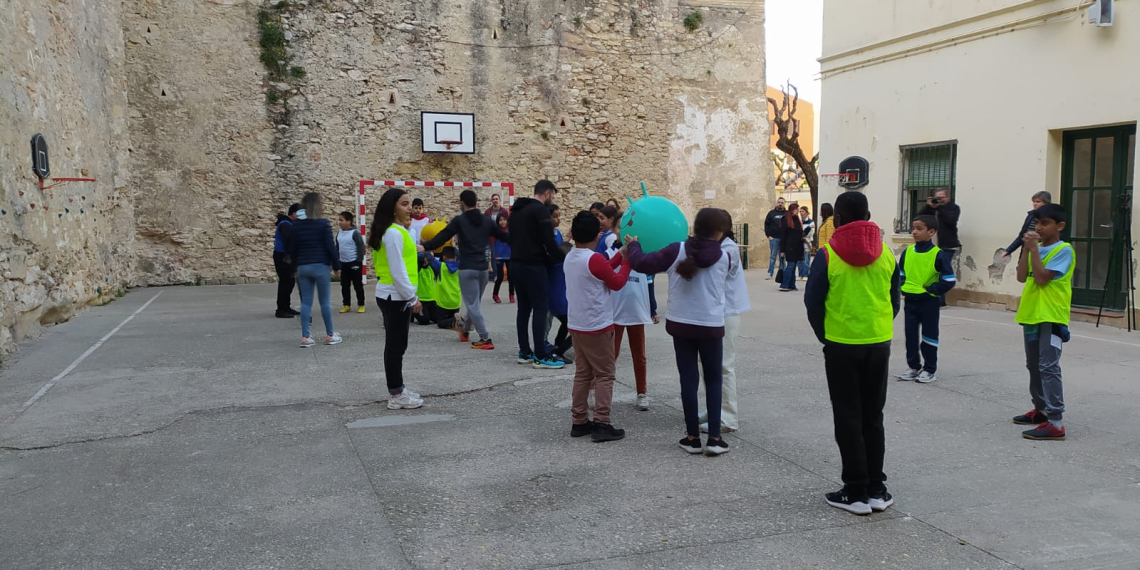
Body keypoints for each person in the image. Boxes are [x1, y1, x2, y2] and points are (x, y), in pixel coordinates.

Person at [804, 191, 901, 516]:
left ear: (839, 220)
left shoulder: (828, 254)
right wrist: (879, 327)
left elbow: (813, 301)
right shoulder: (887, 253)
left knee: (848, 416)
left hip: (842, 345)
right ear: (869, 215)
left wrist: (826, 335)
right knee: (874, 416)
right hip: (878, 343)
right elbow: (894, 298)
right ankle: (877, 488)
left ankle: (855, 490)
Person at [627, 208, 733, 457]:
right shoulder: (727, 256)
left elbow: (642, 263)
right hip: (711, 324)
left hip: (681, 324)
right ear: (719, 232)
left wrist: (634, 245)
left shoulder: (677, 250)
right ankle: (715, 438)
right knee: (714, 379)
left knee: (688, 379)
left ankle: (692, 437)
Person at [565, 211, 631, 443]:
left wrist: (620, 256)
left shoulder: (572, 256)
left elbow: (601, 270)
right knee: (605, 374)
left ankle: (579, 420)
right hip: (597, 326)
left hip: (577, 325)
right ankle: (602, 422)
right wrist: (629, 260)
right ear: (597, 235)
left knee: (583, 374)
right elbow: (616, 282)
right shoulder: (593, 259)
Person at [1012, 204, 1073, 441]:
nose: (1039, 227)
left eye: (1045, 223)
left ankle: (1056, 421)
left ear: (1059, 226)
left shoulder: (1064, 250)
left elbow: (1041, 278)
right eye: (1037, 223)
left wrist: (1034, 250)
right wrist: (1027, 251)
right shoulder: (1033, 248)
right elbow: (1020, 276)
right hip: (1031, 316)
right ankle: (1041, 409)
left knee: (1049, 367)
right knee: (1034, 366)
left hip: (1051, 316)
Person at [421, 190, 509, 350]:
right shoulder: (486, 220)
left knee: (472, 305)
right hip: (482, 269)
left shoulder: (460, 221)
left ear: (462, 203)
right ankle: (465, 331)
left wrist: (425, 246)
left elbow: (443, 236)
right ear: (475, 202)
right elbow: (504, 236)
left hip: (467, 268)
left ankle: (485, 338)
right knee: (474, 303)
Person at [368, 188, 424, 410]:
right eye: (404, 203)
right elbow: (398, 270)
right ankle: (396, 393)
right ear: (392, 207)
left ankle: (398, 388)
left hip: (394, 294)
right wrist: (412, 298)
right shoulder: (392, 233)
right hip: (395, 295)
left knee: (397, 345)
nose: (409, 208)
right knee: (395, 346)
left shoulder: (396, 231)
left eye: (410, 203)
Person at [699, 212, 751, 434]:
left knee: (723, 366)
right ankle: (715, 409)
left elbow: (712, 265)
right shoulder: (715, 246)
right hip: (712, 313)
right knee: (708, 366)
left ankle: (728, 419)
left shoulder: (728, 249)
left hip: (726, 313)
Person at [509, 180, 567, 369]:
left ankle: (524, 351)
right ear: (548, 193)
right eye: (553, 196)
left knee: (523, 309)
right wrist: (564, 257)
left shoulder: (517, 210)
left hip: (515, 264)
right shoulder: (540, 210)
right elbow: (548, 242)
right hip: (534, 265)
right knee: (540, 308)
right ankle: (541, 355)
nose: (552, 199)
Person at [896, 215, 957, 384]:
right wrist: (902, 286)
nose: (914, 232)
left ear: (931, 232)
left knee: (929, 336)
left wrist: (931, 290)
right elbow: (901, 273)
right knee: (910, 335)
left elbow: (949, 279)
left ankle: (929, 369)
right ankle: (913, 367)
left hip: (928, 302)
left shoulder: (938, 254)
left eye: (919, 229)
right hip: (910, 301)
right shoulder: (907, 252)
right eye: (913, 228)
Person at [287, 193, 343, 348]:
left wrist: (293, 267)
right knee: (324, 301)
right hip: (320, 265)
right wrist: (337, 266)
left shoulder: (297, 224)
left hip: (303, 266)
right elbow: (330, 247)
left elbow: (292, 248)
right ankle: (330, 334)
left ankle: (305, 337)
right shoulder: (323, 223)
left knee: (306, 302)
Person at [612, 253, 653, 412]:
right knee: (610, 354)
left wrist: (653, 309)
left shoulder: (643, 258)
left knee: (639, 355)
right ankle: (598, 389)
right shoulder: (612, 254)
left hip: (636, 312)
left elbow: (650, 284)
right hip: (616, 313)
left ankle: (642, 393)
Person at [918, 190, 962, 306]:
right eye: (937, 197)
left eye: (941, 198)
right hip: (932, 246)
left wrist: (940, 207)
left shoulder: (953, 208)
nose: (939, 200)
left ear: (947, 198)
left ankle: (940, 301)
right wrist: (929, 206)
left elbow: (951, 221)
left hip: (948, 245)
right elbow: (919, 218)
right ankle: (932, 296)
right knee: (933, 272)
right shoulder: (933, 209)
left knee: (943, 271)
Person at [273, 203, 302, 318]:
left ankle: (286, 307)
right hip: (283, 256)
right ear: (294, 213)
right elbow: (289, 242)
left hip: (285, 256)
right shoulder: (286, 225)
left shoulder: (289, 224)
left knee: (289, 282)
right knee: (285, 282)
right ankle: (281, 309)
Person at [1003, 191, 1052, 258]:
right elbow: (1022, 236)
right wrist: (1008, 250)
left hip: (1041, 252)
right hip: (1026, 251)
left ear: (1046, 203)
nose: (1035, 204)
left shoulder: (1051, 217)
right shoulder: (1031, 215)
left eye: (1038, 202)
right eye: (1034, 202)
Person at [336, 211, 367, 314]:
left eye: (342, 220)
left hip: (354, 262)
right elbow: (337, 247)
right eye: (339, 220)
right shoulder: (339, 233)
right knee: (344, 285)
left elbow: (361, 248)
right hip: (343, 263)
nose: (339, 222)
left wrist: (358, 261)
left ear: (349, 221)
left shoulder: (355, 233)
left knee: (357, 285)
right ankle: (346, 305)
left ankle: (361, 304)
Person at [548, 242, 573, 361]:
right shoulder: (564, 265)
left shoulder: (551, 265)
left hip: (553, 303)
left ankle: (557, 345)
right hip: (562, 303)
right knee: (578, 331)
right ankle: (558, 351)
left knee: (566, 324)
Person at [779, 202, 805, 292]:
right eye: (797, 209)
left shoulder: (796, 219)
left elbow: (799, 233)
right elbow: (783, 235)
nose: (798, 210)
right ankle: (784, 284)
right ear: (793, 209)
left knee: (793, 266)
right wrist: (782, 249)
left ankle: (792, 284)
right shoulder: (786, 219)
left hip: (797, 246)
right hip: (789, 246)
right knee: (791, 265)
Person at [491, 214, 515, 304]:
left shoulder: (510, 230)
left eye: (504, 219)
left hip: (509, 256)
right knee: (500, 277)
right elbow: (491, 241)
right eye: (500, 220)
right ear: (498, 222)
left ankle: (511, 294)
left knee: (511, 276)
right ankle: (495, 294)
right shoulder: (496, 232)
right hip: (499, 256)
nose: (502, 222)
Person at [412, 251, 441, 326]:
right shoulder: (417, 270)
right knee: (424, 321)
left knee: (437, 319)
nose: (426, 261)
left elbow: (436, 265)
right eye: (423, 260)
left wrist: (430, 256)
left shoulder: (431, 268)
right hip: (421, 300)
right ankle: (412, 311)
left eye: (426, 260)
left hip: (432, 299)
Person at [764, 197, 788, 280]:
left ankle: (783, 273)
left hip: (784, 239)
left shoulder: (787, 214)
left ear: (784, 204)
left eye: (782, 202)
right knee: (773, 257)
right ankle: (770, 273)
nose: (780, 204)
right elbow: (766, 225)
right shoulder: (771, 213)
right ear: (776, 203)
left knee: (783, 257)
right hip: (774, 239)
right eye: (779, 202)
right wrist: (768, 236)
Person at [799, 206, 815, 280]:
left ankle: (805, 274)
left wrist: (803, 235)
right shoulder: (799, 221)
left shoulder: (810, 222)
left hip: (806, 241)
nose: (801, 213)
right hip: (799, 241)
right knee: (800, 259)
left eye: (803, 211)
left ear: (806, 212)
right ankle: (800, 274)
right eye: (800, 211)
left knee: (806, 258)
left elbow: (811, 232)